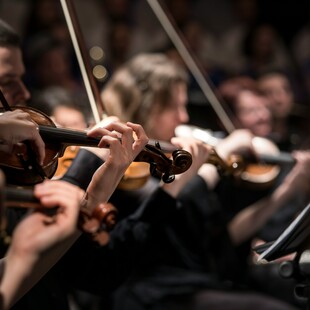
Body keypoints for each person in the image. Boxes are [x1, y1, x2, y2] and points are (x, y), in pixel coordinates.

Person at [60, 52, 305, 309]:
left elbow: (215, 237)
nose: (184, 117)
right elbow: (164, 213)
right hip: (143, 291)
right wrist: (211, 165)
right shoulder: (121, 165)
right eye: (174, 106)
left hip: (187, 282)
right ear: (146, 106)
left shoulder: (160, 160)